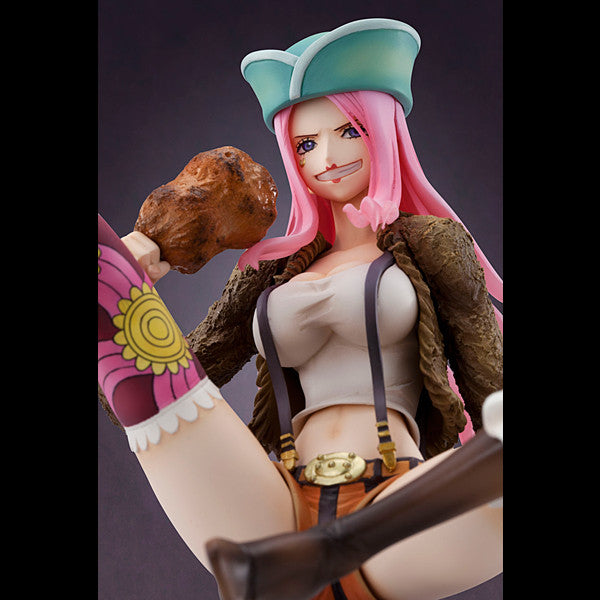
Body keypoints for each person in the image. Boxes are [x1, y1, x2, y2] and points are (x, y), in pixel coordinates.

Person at [98, 18, 502, 600]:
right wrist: (139, 263)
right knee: (110, 289)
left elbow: (488, 373)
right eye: (306, 144)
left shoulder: (431, 243)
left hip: (401, 512)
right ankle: (314, 552)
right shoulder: (273, 268)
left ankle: (332, 550)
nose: (327, 157)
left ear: (385, 131)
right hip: (273, 513)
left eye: (349, 131)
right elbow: (151, 386)